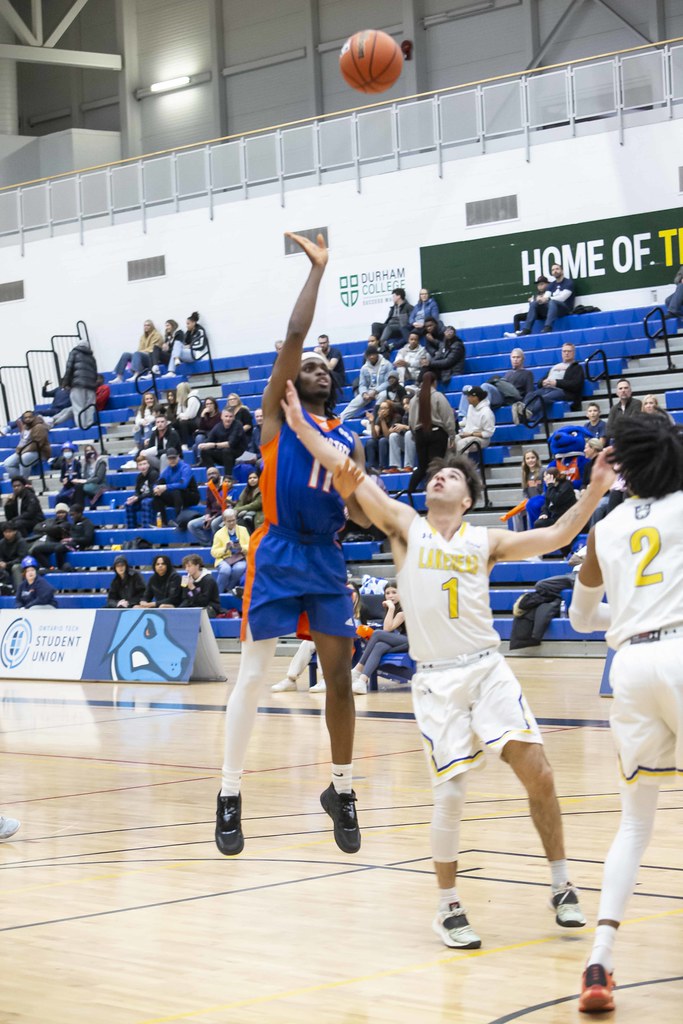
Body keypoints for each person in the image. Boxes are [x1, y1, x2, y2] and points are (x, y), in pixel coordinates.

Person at [281, 379, 617, 950]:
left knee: (540, 773)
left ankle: (562, 885)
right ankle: (448, 905)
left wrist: (594, 490)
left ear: (466, 499)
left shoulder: (485, 541)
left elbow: (559, 534)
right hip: (436, 680)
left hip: (488, 669)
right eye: (436, 472)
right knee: (452, 791)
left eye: (453, 475)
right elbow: (350, 471)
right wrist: (300, 427)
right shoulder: (405, 529)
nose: (440, 475)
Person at [215, 231, 369, 861]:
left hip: (325, 556)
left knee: (338, 678)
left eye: (323, 368)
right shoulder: (277, 416)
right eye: (306, 365)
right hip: (276, 550)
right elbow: (296, 334)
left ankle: (343, 788)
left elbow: (358, 516)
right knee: (252, 676)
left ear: (333, 387)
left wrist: (355, 494)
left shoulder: (350, 439)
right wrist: (319, 270)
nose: (313, 367)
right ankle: (229, 793)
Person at [568, 414, 683, 1014]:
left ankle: (600, 960)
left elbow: (582, 621)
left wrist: (634, 619)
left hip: (631, 669)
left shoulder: (606, 528)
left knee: (635, 824)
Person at [350, 581, 409, 694]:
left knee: (377, 633)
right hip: (401, 640)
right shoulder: (394, 608)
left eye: (394, 592)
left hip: (411, 642)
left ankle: (358, 669)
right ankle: (362, 682)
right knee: (379, 646)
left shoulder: (403, 610)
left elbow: (387, 630)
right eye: (387, 593)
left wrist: (390, 608)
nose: (390, 595)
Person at [407, 371, 456, 493]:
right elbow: (448, 417)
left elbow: (411, 422)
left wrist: (416, 435)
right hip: (437, 433)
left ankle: (409, 493)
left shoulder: (413, 399)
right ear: (435, 382)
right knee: (437, 466)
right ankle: (435, 493)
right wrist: (452, 435)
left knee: (422, 467)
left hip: (420, 434)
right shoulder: (438, 396)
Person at [525, 342, 585, 413]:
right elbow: (540, 382)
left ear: (574, 353)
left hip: (563, 391)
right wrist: (542, 383)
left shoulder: (577, 367)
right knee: (530, 395)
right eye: (564, 351)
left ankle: (528, 413)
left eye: (569, 351)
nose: (566, 353)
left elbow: (576, 385)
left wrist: (556, 383)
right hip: (547, 389)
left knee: (544, 398)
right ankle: (523, 410)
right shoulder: (555, 366)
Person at [518, 263, 576, 334]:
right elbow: (546, 297)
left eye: (557, 269)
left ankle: (548, 327)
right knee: (534, 303)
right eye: (553, 270)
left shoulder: (568, 283)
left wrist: (547, 299)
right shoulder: (551, 285)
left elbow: (562, 298)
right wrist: (539, 300)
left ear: (562, 271)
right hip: (552, 309)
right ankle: (526, 329)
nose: (555, 271)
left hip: (564, 309)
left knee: (552, 301)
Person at [339, 347, 392, 422]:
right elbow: (362, 384)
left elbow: (388, 382)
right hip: (369, 392)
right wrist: (364, 393)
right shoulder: (364, 368)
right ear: (366, 357)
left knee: (383, 395)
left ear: (377, 354)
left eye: (373, 354)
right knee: (357, 400)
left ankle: (376, 418)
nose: (372, 357)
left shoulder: (387, 364)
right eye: (369, 355)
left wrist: (376, 391)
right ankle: (341, 417)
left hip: (382, 390)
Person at [186, 468, 233, 545]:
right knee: (191, 525)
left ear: (219, 474)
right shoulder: (209, 487)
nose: (212, 476)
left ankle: (218, 544)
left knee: (214, 523)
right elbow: (208, 505)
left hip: (224, 514)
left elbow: (228, 507)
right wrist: (207, 516)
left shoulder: (226, 486)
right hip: (212, 515)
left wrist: (212, 518)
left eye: (214, 473)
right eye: (209, 474)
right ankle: (208, 544)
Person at [152, 449, 198, 526]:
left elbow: (183, 485)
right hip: (177, 497)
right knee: (157, 495)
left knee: (176, 491)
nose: (172, 460)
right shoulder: (167, 470)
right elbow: (158, 482)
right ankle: (163, 522)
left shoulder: (185, 468)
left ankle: (179, 521)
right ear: (167, 459)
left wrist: (166, 487)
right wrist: (156, 488)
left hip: (191, 495)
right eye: (170, 458)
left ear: (178, 457)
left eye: (174, 458)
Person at [211, 508, 250, 593]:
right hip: (224, 559)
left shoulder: (243, 530)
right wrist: (225, 549)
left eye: (233, 520)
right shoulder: (218, 533)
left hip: (240, 557)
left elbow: (250, 546)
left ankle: (228, 589)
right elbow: (214, 552)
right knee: (225, 570)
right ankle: (218, 593)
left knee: (239, 568)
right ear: (224, 521)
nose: (232, 523)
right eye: (229, 521)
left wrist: (241, 547)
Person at [2, 410, 50, 478]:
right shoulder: (25, 427)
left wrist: (23, 451)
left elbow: (37, 444)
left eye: (30, 417)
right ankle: (22, 481)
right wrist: (19, 450)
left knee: (24, 458)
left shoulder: (39, 427)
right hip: (24, 451)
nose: (28, 419)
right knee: (7, 463)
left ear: (34, 417)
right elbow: (22, 441)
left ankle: (24, 481)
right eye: (26, 418)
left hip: (39, 452)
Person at [198, 408, 246, 474]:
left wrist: (213, 445)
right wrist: (203, 445)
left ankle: (228, 477)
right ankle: (213, 475)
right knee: (205, 451)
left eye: (230, 416)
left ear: (234, 417)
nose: (228, 419)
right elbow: (209, 440)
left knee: (226, 450)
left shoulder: (238, 425)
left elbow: (230, 444)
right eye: (226, 416)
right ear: (221, 417)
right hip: (223, 455)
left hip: (238, 453)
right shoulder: (218, 426)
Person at [62, 340, 97, 428]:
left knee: (78, 406)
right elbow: (95, 372)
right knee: (90, 406)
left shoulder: (74, 353)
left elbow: (69, 368)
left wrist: (65, 383)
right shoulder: (92, 357)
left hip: (78, 384)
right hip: (91, 385)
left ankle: (81, 426)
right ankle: (89, 424)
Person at [364, 400, 403, 471]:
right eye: (381, 408)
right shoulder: (379, 418)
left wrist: (382, 420)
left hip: (392, 441)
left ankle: (383, 467)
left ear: (390, 409)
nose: (382, 410)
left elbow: (387, 435)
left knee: (383, 440)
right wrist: (372, 422)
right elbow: (375, 436)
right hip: (381, 441)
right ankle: (370, 467)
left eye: (385, 408)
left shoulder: (397, 417)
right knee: (370, 442)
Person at [456, 386, 495, 455]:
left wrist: (471, 434)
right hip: (469, 435)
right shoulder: (471, 407)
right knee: (451, 441)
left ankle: (461, 465)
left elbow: (488, 433)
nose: (467, 398)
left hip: (482, 439)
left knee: (461, 444)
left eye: (469, 396)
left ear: (475, 398)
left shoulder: (486, 412)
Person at [125, 455, 159, 528]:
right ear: (137, 467)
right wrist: (134, 497)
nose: (143, 467)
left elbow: (152, 492)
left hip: (154, 499)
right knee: (128, 504)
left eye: (144, 464)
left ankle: (146, 527)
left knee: (145, 502)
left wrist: (138, 498)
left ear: (148, 464)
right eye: (140, 465)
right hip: (142, 498)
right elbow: (137, 491)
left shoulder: (154, 474)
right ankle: (131, 529)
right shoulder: (139, 477)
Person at [0, 520, 28, 592]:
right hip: (6, 565)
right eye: (5, 532)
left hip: (20, 565)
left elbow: (22, 558)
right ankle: (4, 589)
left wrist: (7, 564)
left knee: (15, 567)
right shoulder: (1, 542)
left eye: (10, 532)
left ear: (15, 531)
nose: (7, 534)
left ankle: (19, 591)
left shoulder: (21, 542)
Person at [192, 397, 221, 462]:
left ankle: (202, 460)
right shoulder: (205, 416)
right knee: (196, 442)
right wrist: (202, 416)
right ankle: (200, 459)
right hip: (206, 436)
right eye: (207, 404)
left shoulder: (219, 415)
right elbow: (201, 428)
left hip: (216, 437)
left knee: (197, 444)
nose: (209, 406)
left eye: (211, 404)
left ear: (214, 405)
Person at [174, 382, 202, 448]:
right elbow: (178, 414)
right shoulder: (182, 400)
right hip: (188, 422)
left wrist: (181, 415)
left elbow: (190, 415)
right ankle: (176, 445)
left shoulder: (193, 399)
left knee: (183, 423)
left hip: (197, 422)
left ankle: (184, 444)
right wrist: (181, 414)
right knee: (174, 425)